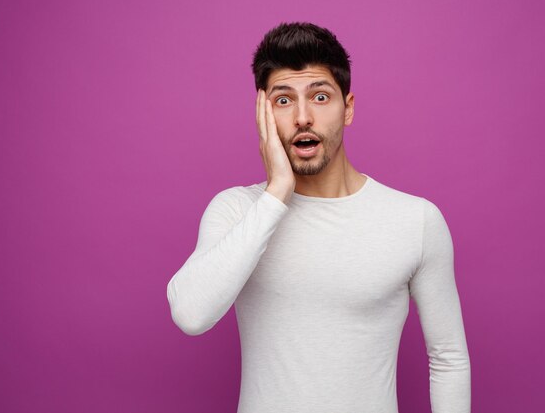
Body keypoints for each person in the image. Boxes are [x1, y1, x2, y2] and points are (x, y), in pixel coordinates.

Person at [166, 22, 471, 413]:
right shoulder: (238, 210)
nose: (303, 117)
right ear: (262, 114)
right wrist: (277, 193)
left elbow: (448, 358)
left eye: (321, 96)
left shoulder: (416, 220)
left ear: (349, 109)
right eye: (283, 100)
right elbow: (191, 314)